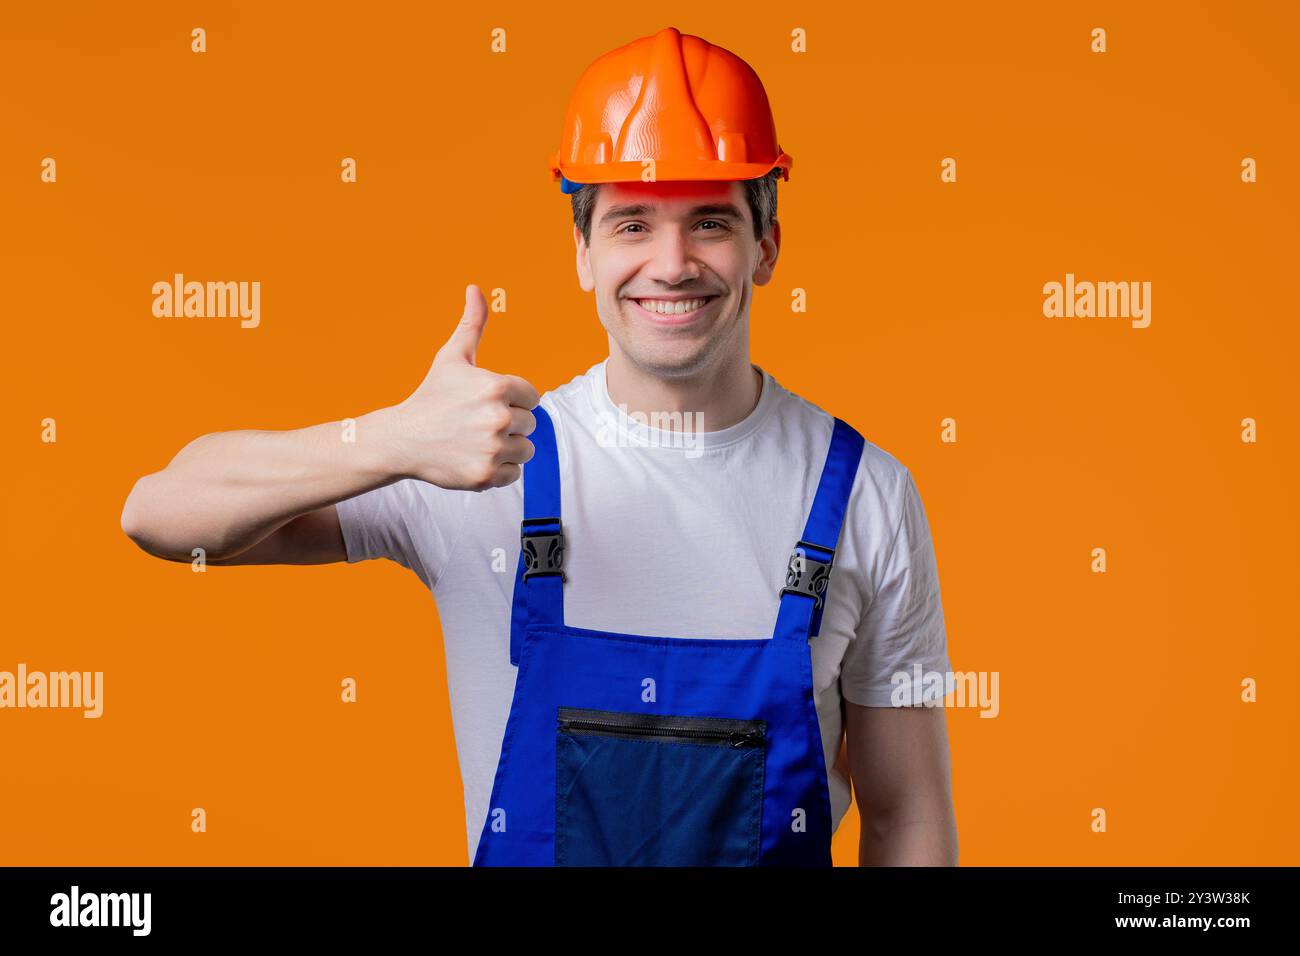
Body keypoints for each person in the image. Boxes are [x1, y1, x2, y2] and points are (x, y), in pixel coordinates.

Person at [121, 26, 958, 866]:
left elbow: (909, 820)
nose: (671, 264)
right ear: (583, 255)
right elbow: (161, 513)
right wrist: (393, 439)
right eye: (632, 225)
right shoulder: (478, 461)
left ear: (766, 247)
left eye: (710, 221)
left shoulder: (865, 497)